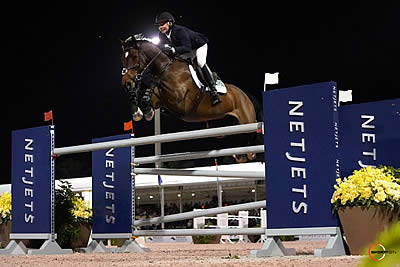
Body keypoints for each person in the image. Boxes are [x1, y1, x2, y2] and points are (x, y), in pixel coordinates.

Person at [155, 11, 221, 106]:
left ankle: (213, 90)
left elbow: (187, 47)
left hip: (198, 46)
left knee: (200, 63)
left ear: (169, 23)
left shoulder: (179, 30)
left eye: (162, 24)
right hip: (185, 50)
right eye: (158, 25)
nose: (160, 27)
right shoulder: (161, 35)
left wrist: (173, 50)